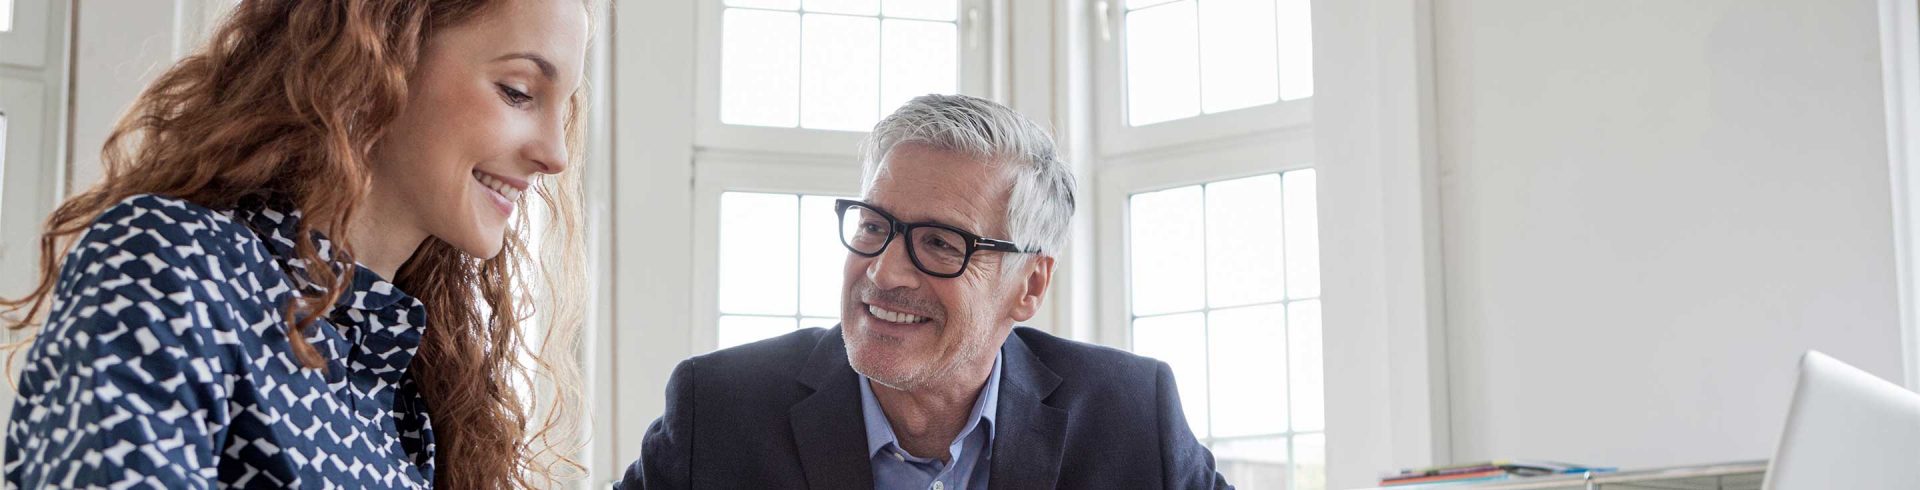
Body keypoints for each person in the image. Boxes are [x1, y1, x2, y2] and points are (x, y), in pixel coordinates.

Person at [1, 0, 591, 487]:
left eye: (563, 112)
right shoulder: (169, 264)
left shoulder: (407, 388)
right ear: (380, 53)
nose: (555, 155)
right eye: (518, 91)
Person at [621, 94, 1231, 489]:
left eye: (940, 243)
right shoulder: (718, 412)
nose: (885, 273)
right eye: (873, 226)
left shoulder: (1131, 418)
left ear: (1029, 285)